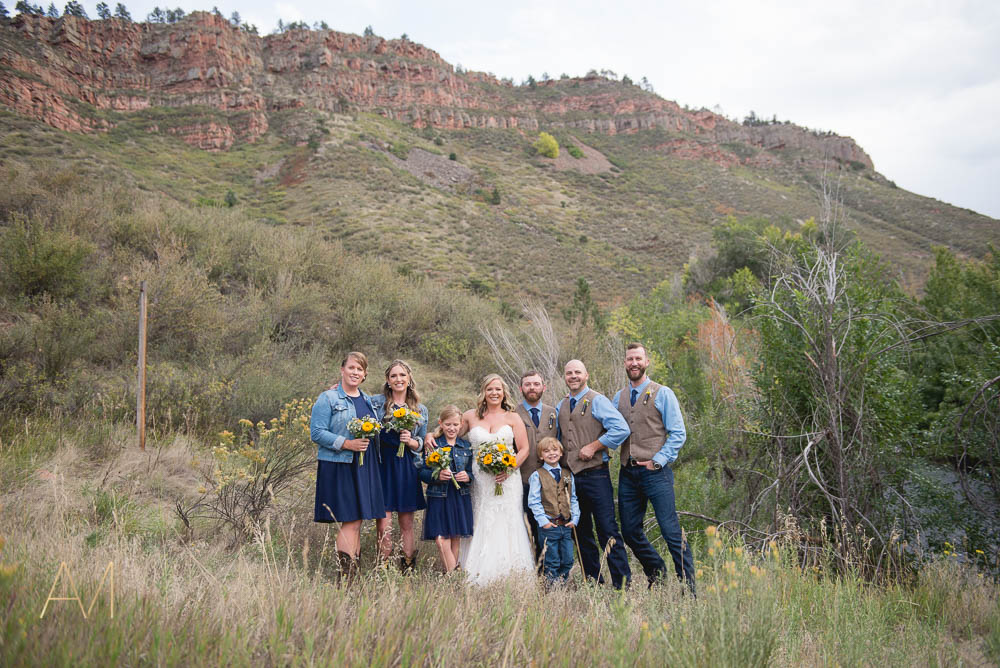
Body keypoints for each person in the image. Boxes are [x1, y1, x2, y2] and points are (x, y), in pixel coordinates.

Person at [612, 343, 696, 593]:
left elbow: (678, 433)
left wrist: (658, 460)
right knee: (629, 530)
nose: (633, 363)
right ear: (625, 363)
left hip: (656, 473)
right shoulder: (619, 397)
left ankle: (689, 589)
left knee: (670, 530)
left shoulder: (663, 393)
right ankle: (656, 571)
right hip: (628, 473)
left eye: (638, 358)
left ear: (646, 362)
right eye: (629, 359)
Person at [556, 359, 632, 589]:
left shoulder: (597, 400)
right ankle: (593, 583)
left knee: (607, 530)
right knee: (580, 532)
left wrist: (594, 446)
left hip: (596, 476)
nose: (573, 376)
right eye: (569, 373)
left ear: (586, 375)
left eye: (577, 372)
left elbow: (621, 429)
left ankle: (622, 585)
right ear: (565, 377)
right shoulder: (562, 405)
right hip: (571, 478)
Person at [311, 351, 384, 579]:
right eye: (351, 368)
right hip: (340, 465)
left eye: (359, 369)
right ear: (342, 370)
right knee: (350, 519)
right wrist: (347, 443)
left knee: (357, 520)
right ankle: (346, 577)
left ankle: (353, 573)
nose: (355, 372)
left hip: (364, 465)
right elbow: (317, 433)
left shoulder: (368, 400)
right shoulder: (329, 398)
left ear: (364, 375)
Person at [458, 374, 536, 585]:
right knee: (481, 518)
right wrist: (430, 436)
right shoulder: (470, 416)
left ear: (504, 393)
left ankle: (510, 574)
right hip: (481, 480)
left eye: (498, 389)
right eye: (490, 389)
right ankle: (475, 573)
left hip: (507, 480)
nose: (494, 393)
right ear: (483, 392)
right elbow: (450, 434)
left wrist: (508, 468)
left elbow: (524, 449)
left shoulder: (512, 417)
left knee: (507, 520)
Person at [370, 360, 428, 572]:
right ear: (387, 380)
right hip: (382, 467)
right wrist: (336, 389)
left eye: (402, 375)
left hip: (406, 468)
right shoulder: (376, 403)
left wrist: (411, 441)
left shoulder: (420, 409)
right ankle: (382, 569)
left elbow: (421, 443)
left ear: (409, 378)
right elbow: (354, 400)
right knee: (384, 524)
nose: (398, 379)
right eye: (394, 376)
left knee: (407, 525)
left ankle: (408, 568)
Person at [418, 405, 474, 573]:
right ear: (440, 423)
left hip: (459, 495)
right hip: (439, 496)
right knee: (441, 539)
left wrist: (468, 477)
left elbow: (472, 472)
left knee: (455, 537)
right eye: (448, 424)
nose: (452, 428)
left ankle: (449, 578)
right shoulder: (433, 444)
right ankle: (454, 575)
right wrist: (436, 476)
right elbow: (421, 472)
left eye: (455, 425)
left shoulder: (465, 447)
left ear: (461, 424)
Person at [514, 370, 559, 562]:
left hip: (549, 482)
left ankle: (548, 570)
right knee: (525, 527)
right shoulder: (513, 414)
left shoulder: (554, 412)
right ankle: (528, 567)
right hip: (522, 480)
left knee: (548, 527)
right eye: (528, 384)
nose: (532, 388)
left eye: (536, 384)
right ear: (521, 388)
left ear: (544, 387)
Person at [526, 437, 580, 586]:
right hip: (549, 526)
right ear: (541, 456)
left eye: (555, 450)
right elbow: (534, 501)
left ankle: (561, 585)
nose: (551, 453)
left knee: (568, 559)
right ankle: (551, 589)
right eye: (546, 451)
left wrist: (575, 519)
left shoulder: (568, 474)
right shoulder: (537, 476)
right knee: (552, 561)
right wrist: (544, 522)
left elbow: (573, 498)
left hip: (566, 525)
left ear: (561, 452)